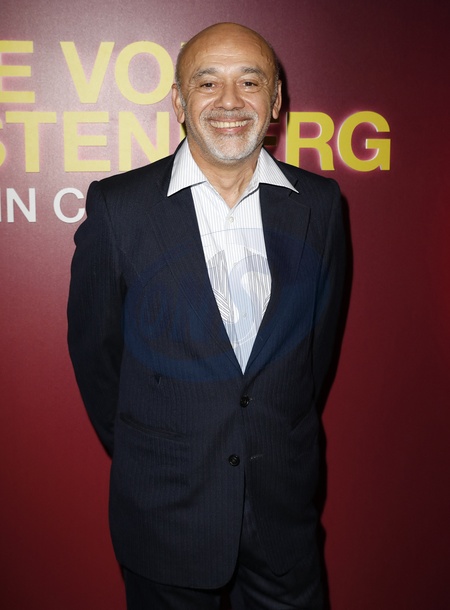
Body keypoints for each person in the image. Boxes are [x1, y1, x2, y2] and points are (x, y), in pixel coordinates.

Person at [68, 22, 346, 610]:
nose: (230, 101)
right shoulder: (119, 208)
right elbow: (97, 359)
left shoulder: (321, 205)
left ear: (275, 100)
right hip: (167, 512)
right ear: (179, 101)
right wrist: (161, 446)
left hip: (283, 511)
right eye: (207, 82)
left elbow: (314, 355)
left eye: (250, 81)